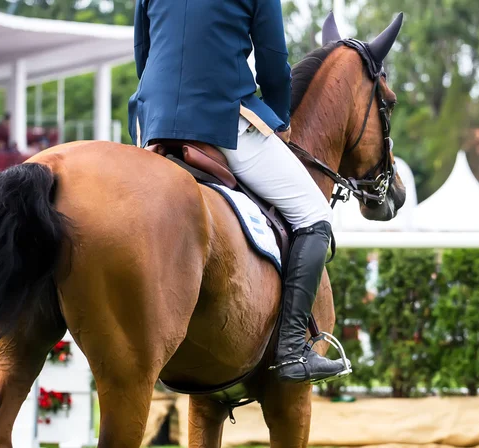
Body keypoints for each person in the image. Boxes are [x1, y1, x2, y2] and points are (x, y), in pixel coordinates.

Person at [128, 0, 349, 384]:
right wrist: (279, 121)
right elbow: (273, 63)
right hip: (220, 118)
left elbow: (142, 50)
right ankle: (293, 349)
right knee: (315, 214)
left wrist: (160, 111)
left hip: (154, 122)